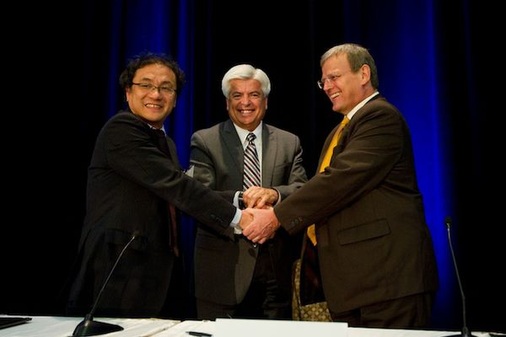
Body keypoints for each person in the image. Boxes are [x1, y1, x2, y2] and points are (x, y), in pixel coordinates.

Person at [243, 43, 439, 328]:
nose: (327, 86)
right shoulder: (341, 128)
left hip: (388, 281)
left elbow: (340, 181)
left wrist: (276, 217)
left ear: (363, 74)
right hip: (355, 284)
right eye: (323, 80)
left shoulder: (381, 117)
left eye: (334, 77)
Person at [65, 52, 253, 320]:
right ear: (128, 92)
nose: (156, 94)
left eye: (166, 88)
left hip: (155, 271)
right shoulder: (121, 129)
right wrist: (240, 219)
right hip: (118, 269)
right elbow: (175, 185)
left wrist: (241, 198)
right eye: (146, 85)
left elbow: (178, 187)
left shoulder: (165, 142)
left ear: (175, 99)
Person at [188, 64, 308, 320]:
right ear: (226, 102)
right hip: (222, 270)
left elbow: (302, 190)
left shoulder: (289, 142)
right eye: (237, 95)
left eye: (253, 95)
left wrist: (274, 194)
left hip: (276, 268)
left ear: (265, 101)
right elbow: (199, 195)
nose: (246, 102)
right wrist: (241, 198)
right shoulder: (205, 140)